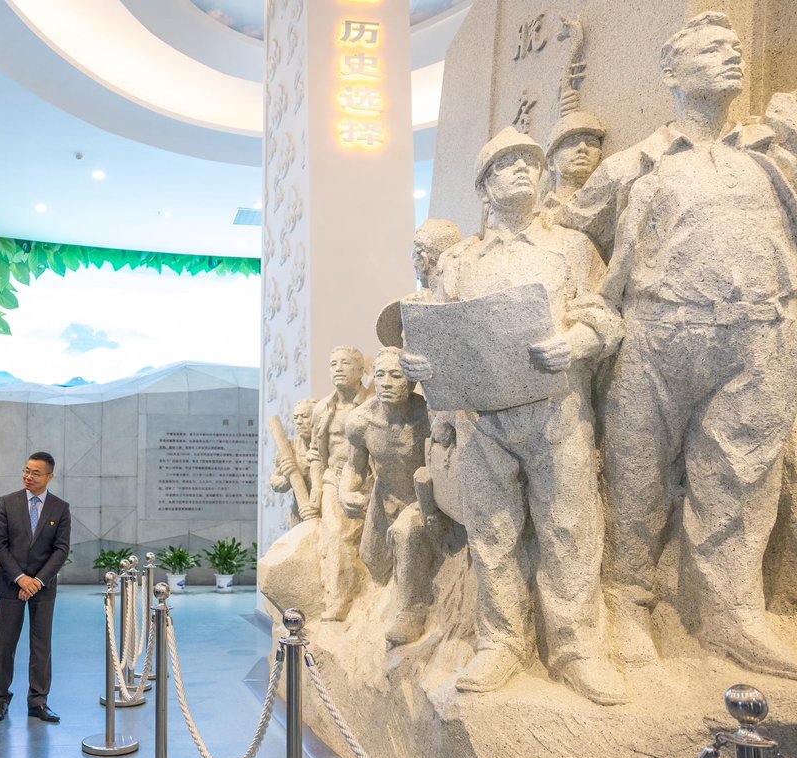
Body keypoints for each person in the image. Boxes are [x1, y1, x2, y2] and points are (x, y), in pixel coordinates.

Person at [560, 12, 797, 676]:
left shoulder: (774, 155)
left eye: (735, 48)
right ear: (672, 73)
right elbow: (568, 234)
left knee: (742, 481)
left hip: (760, 337)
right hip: (658, 336)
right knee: (638, 474)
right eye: (713, 49)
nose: (732, 57)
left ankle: (733, 613)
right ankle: (630, 603)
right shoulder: (633, 165)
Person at [400, 127, 624, 704]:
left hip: (557, 410)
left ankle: (577, 648)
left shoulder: (569, 249)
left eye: (529, 160)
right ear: (484, 185)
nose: (523, 169)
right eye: (506, 163)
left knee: (569, 528)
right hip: (482, 418)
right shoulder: (460, 259)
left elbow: (605, 315)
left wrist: (576, 341)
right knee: (494, 532)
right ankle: (500, 642)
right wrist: (419, 360)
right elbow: (432, 325)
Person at [339, 348, 432, 644]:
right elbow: (354, 468)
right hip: (384, 500)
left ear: (413, 381)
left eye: (396, 375)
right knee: (374, 564)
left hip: (424, 499)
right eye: (380, 375)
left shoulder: (428, 416)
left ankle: (412, 612)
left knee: (407, 534)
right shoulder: (361, 421)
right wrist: (346, 491)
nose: (387, 382)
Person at [0, 452, 72, 724]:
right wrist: (20, 578)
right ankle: (1, 699)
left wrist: (36, 581)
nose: (28, 476)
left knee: (41, 645)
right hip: (11, 584)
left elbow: (61, 549)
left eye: (36, 473)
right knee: (5, 646)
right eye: (26, 470)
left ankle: (38, 701)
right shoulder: (7, 503)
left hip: (42, 588)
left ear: (49, 477)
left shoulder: (60, 508)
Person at [306, 346, 371, 621]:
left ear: (360, 370)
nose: (338, 368)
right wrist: (316, 490)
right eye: (333, 364)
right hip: (334, 476)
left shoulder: (373, 404)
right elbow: (317, 454)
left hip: (367, 478)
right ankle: (338, 598)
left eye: (345, 363)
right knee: (335, 535)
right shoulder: (323, 408)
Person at [269, 399, 316, 529]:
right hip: (300, 511)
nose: (299, 422)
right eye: (296, 418)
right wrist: (287, 479)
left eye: (305, 416)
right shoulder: (289, 448)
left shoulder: (328, 446)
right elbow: (274, 482)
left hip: (325, 511)